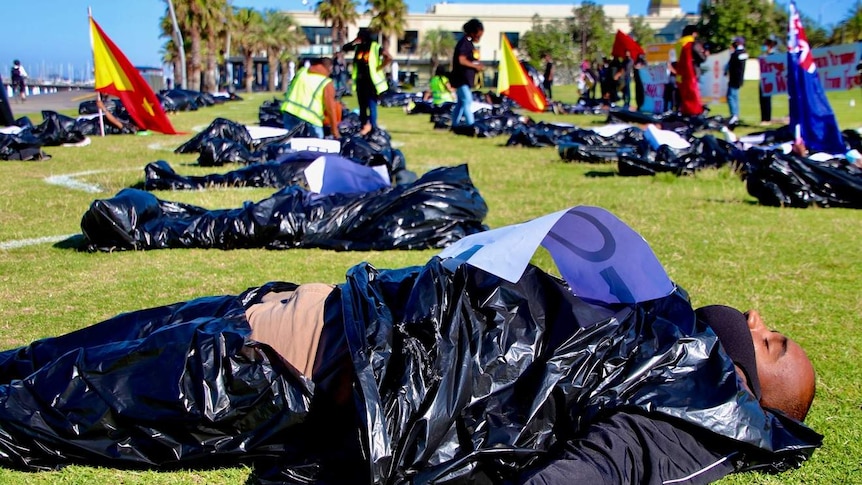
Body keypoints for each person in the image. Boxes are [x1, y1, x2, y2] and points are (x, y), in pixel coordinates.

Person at [0, 207, 820, 484]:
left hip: (289, 362)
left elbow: (581, 476)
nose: (756, 317)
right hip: (312, 315)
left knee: (44, 406)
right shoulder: (655, 328)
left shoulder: (681, 408)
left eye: (772, 341)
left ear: (751, 395)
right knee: (49, 360)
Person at [280, 57, 341, 139]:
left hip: (289, 112)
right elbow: (330, 108)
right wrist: (335, 131)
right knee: (317, 148)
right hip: (310, 119)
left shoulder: (302, 72)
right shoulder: (326, 82)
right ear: (330, 68)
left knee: (289, 144)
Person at [343, 30, 391, 135]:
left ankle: (374, 128)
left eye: (359, 37)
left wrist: (381, 66)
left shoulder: (375, 46)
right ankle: (363, 126)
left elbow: (388, 56)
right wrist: (354, 42)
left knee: (372, 106)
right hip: (360, 82)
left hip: (371, 83)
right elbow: (344, 48)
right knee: (362, 107)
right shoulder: (358, 47)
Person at [450, 18, 485, 128]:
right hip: (461, 79)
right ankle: (471, 125)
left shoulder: (468, 43)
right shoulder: (464, 43)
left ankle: (454, 125)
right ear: (473, 32)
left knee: (461, 103)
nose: (479, 38)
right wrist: (475, 66)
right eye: (478, 36)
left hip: (464, 79)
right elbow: (461, 60)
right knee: (467, 101)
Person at [675, 25, 708, 116]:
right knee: (694, 94)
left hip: (680, 73)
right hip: (692, 73)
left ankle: (682, 110)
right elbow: (701, 58)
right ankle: (696, 111)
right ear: (693, 33)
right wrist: (705, 55)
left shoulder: (678, 43)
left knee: (683, 94)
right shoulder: (692, 44)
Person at [725, 36, 748, 125]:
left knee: (731, 97)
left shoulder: (737, 54)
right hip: (737, 78)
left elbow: (732, 64)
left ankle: (734, 115)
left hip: (735, 78)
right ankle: (735, 115)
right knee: (735, 97)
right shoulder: (742, 53)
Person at [759, 35, 779, 126]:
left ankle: (767, 118)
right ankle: (763, 118)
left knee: (767, 100)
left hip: (769, 80)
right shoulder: (764, 55)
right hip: (763, 79)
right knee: (762, 100)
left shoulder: (774, 55)